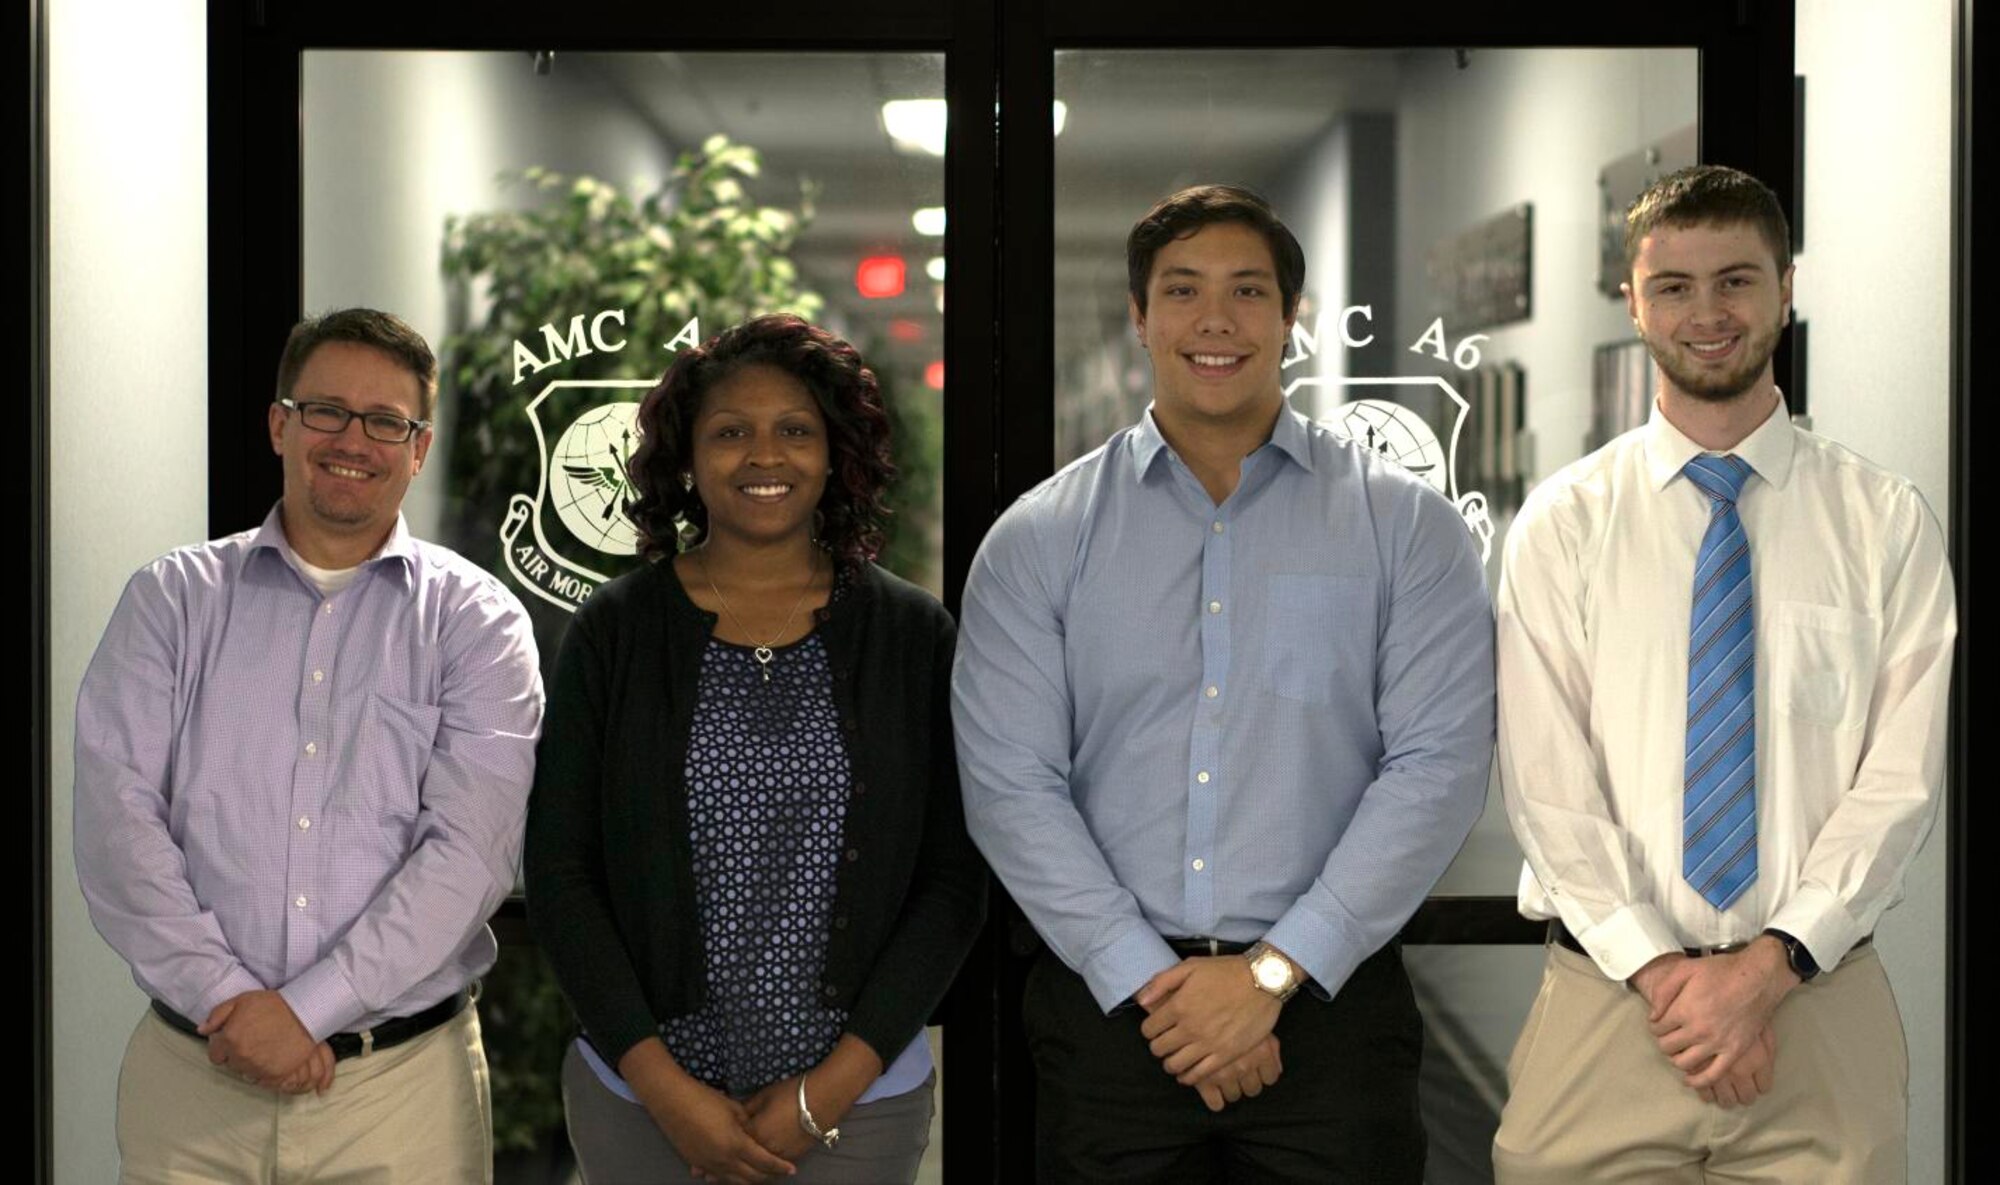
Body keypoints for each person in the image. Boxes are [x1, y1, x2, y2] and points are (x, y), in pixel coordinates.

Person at [953, 184, 1495, 1183]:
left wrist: (1272, 973)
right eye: (1182, 291)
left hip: (1332, 1018)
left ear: (1288, 318)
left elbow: (1434, 768)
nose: (1215, 320)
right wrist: (1151, 981)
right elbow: (1009, 787)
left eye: (1247, 291)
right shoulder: (1038, 539)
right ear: (1138, 314)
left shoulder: (1405, 529)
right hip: (1113, 1022)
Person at [1491, 165, 1956, 1183]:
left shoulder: (1882, 522)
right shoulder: (1561, 526)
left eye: (1735, 281)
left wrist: (1768, 967)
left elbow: (1900, 782)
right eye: (1673, 286)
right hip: (1608, 1007)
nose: (1706, 313)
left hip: (1816, 1009)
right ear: (1632, 303)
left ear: (1784, 290)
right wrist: (1665, 974)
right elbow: (1543, 784)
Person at [74, 307, 545, 1182]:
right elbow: (118, 829)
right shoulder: (170, 602)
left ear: (419, 446)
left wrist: (304, 1012)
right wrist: (233, 1002)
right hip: (193, 1081)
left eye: (386, 422)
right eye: (326, 410)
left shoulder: (476, 622)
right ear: (279, 423)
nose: (352, 439)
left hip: (400, 1094)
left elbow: (468, 857)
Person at [525, 313, 986, 1185]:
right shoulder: (615, 632)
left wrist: (827, 1091)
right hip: (641, 1101)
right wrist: (666, 1091)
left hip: (861, 1102)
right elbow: (559, 872)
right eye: (730, 431)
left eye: (795, 430)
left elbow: (952, 879)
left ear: (834, 452)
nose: (763, 455)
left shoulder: (910, 634)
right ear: (688, 458)